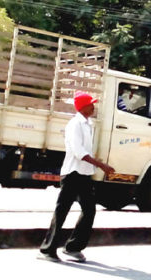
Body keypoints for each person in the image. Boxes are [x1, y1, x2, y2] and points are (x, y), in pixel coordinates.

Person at [38, 91, 115, 262]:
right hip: (72, 173)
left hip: (84, 174)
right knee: (62, 212)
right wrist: (101, 165)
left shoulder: (87, 124)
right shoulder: (75, 124)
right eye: (91, 104)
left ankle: (73, 248)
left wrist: (96, 164)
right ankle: (47, 250)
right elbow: (79, 152)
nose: (93, 107)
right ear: (83, 107)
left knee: (89, 210)